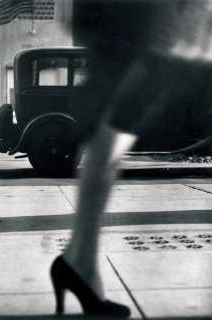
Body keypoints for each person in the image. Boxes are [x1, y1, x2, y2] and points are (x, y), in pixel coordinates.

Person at [50, 0, 212, 317]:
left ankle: (79, 262)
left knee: (114, 132)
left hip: (138, 18)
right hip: (133, 16)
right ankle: (79, 264)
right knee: (112, 128)